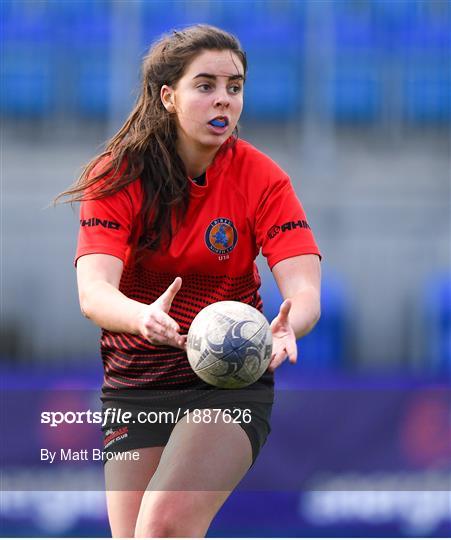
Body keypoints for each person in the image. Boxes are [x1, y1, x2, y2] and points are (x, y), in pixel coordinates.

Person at [58, 24, 321, 538]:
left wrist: (294, 323)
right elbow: (94, 293)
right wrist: (143, 317)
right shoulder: (116, 176)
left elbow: (304, 286)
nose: (223, 99)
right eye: (205, 85)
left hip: (229, 377)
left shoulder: (262, 178)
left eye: (235, 86)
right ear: (168, 96)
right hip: (137, 376)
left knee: (164, 526)